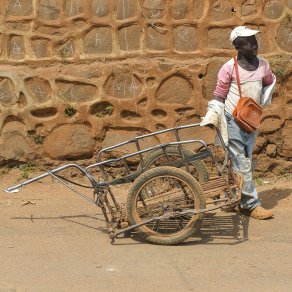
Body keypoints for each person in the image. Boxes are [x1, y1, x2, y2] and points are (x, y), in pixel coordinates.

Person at [202, 26, 276, 219]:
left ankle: (231, 196)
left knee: (243, 159)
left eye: (255, 41)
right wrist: (213, 116)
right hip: (232, 120)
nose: (254, 45)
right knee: (242, 160)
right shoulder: (229, 67)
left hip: (251, 121)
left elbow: (269, 83)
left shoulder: (264, 65)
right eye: (248, 42)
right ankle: (251, 204)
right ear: (237, 46)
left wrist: (260, 102)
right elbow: (219, 95)